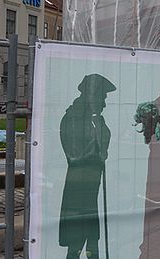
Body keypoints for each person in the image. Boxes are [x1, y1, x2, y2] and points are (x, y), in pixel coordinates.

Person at [59, 73, 116, 259]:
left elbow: (104, 143)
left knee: (92, 236)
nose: (105, 103)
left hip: (92, 186)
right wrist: (98, 152)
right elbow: (74, 155)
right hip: (79, 185)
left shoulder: (96, 120)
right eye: (103, 97)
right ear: (92, 96)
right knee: (77, 235)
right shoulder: (73, 117)